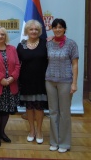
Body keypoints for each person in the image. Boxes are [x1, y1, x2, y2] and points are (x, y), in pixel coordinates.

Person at [45, 18, 79, 153]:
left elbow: (75, 64)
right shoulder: (48, 43)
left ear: (65, 29)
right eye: (55, 27)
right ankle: (54, 141)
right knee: (53, 112)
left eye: (60, 27)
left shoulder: (71, 44)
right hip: (49, 81)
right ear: (52, 29)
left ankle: (64, 143)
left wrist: (74, 83)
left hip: (66, 82)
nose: (58, 29)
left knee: (64, 113)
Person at [16, 20, 48, 144]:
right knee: (29, 107)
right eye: (31, 29)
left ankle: (39, 131)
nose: (33, 31)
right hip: (26, 80)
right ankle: (32, 131)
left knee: (39, 107)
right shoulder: (21, 45)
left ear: (39, 31)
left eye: (36, 29)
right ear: (27, 31)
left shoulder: (46, 44)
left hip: (41, 81)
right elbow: (17, 64)